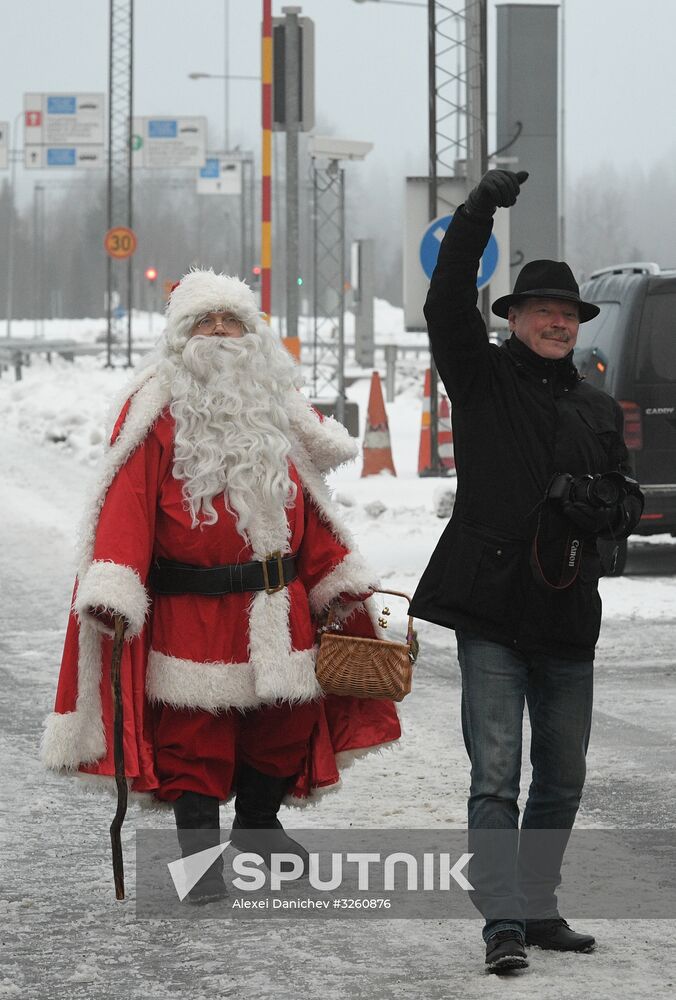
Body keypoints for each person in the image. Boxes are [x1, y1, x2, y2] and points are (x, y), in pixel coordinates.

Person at [42, 268, 400, 903]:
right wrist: (115, 583)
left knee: (286, 722)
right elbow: (123, 502)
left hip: (276, 601)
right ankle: (200, 858)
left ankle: (258, 827)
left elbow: (310, 504)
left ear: (250, 332)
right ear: (180, 337)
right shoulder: (154, 409)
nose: (217, 333)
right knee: (195, 735)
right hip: (191, 605)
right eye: (202, 322)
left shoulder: (275, 403)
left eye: (228, 321)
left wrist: (333, 578)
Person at [409, 170, 644, 972]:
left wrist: (602, 502)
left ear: (580, 325)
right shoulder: (480, 381)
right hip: (492, 614)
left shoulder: (597, 409)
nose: (556, 322)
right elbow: (445, 301)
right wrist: (477, 213)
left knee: (565, 777)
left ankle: (537, 906)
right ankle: (501, 919)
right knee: (496, 775)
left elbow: (626, 502)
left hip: (568, 615)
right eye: (542, 311)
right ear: (513, 319)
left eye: (568, 314)